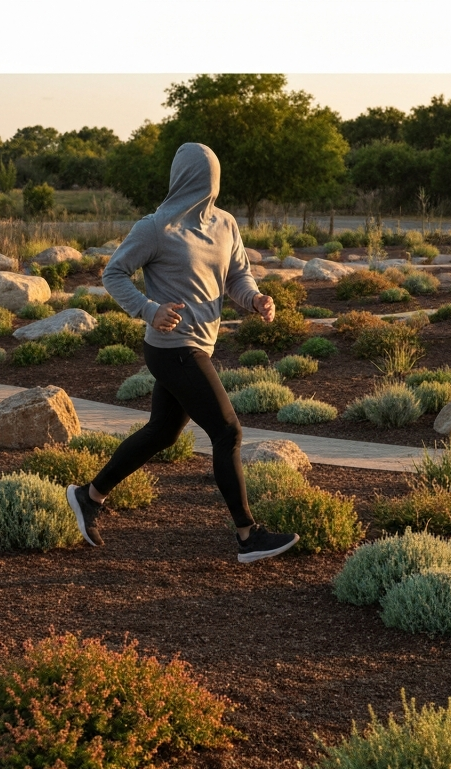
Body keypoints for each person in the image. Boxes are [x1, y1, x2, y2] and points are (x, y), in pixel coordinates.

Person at [66, 142, 300, 564]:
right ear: (187, 176)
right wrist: (148, 309)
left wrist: (255, 300)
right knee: (227, 431)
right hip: (172, 348)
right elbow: (113, 272)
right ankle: (248, 535)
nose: (209, 183)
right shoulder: (156, 227)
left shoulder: (225, 224)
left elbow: (237, 277)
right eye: (203, 174)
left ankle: (89, 495)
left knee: (162, 433)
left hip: (200, 342)